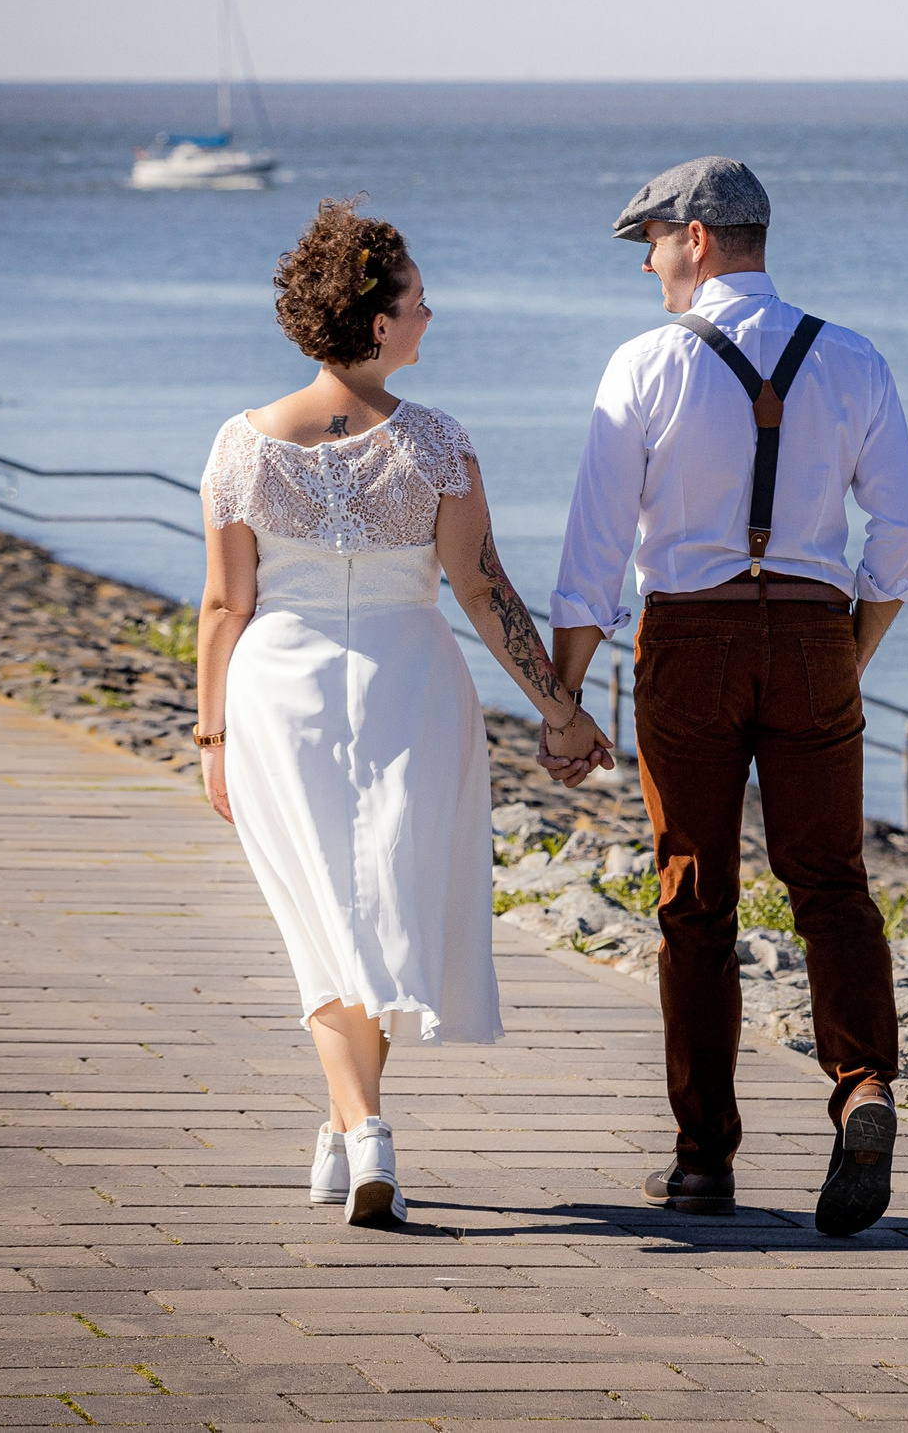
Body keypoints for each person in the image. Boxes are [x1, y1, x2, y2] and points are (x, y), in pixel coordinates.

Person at [194, 197, 612, 1227]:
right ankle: (364, 1127)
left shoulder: (242, 445)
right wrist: (559, 711)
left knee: (327, 914)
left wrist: (210, 734)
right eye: (419, 300)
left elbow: (223, 604)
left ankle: (351, 1127)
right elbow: (484, 591)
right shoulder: (436, 445)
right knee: (375, 904)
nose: (432, 313)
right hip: (411, 690)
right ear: (376, 322)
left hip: (275, 692)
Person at [546, 157, 908, 1236]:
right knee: (830, 883)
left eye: (653, 243)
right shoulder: (853, 358)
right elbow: (899, 539)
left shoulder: (645, 364)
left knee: (694, 897)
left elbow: (592, 554)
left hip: (692, 637)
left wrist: (567, 698)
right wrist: (845, 652)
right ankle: (861, 1088)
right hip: (813, 628)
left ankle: (703, 1161)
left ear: (699, 238)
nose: (648, 265)